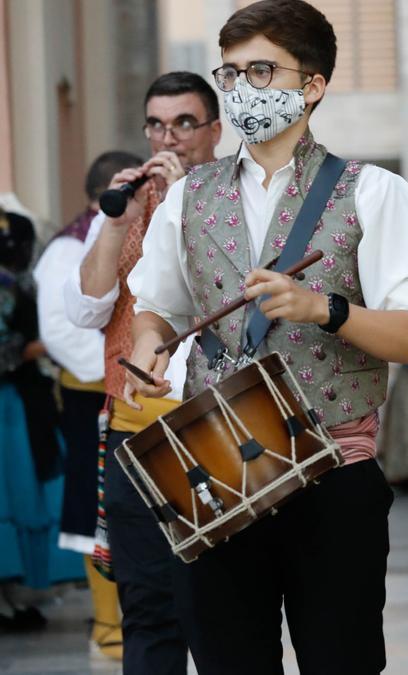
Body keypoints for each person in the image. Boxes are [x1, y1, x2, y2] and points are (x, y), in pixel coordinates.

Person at [122, 1, 408, 672]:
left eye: (263, 71)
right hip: (215, 467)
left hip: (333, 474)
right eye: (232, 73)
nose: (244, 89)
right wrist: (151, 348)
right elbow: (156, 309)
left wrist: (321, 306)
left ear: (312, 86)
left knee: (341, 661)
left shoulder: (374, 192)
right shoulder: (189, 197)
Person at [63, 71, 221, 675]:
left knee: (218, 611)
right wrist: (115, 222)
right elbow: (86, 307)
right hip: (133, 435)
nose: (168, 137)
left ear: (213, 128)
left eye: (184, 123)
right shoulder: (130, 205)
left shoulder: (235, 202)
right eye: (157, 124)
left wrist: (183, 207)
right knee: (148, 611)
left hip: (214, 429)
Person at [35, 150, 143, 659]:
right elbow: (60, 329)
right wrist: (118, 367)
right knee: (93, 505)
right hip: (93, 392)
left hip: (139, 389)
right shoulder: (68, 247)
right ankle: (107, 622)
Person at [0, 207, 79, 631]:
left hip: (18, 404)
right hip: (8, 409)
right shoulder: (9, 286)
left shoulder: (15, 284)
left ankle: (12, 598)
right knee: (13, 495)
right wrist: (33, 349)